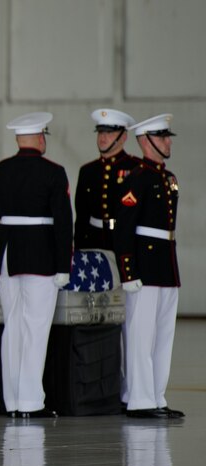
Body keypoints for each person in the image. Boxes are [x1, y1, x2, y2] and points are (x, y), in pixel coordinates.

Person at [0, 112, 71, 419]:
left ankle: (14, 401)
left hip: (6, 255)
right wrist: (63, 265)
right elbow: (62, 223)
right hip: (41, 254)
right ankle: (31, 402)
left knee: (13, 327)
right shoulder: (54, 172)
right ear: (40, 138)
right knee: (35, 328)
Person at [114, 114, 184, 419]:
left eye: (167, 136)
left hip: (165, 265)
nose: (168, 141)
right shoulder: (136, 179)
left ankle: (156, 396)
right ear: (145, 141)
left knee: (163, 335)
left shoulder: (167, 178)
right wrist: (128, 272)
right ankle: (139, 400)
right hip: (144, 267)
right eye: (162, 136)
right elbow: (124, 229)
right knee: (141, 335)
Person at [74, 108, 138, 251]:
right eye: (101, 132)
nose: (103, 137)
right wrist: (78, 249)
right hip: (93, 242)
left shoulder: (135, 169)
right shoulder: (87, 171)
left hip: (124, 241)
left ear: (123, 137)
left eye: (109, 133)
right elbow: (81, 217)